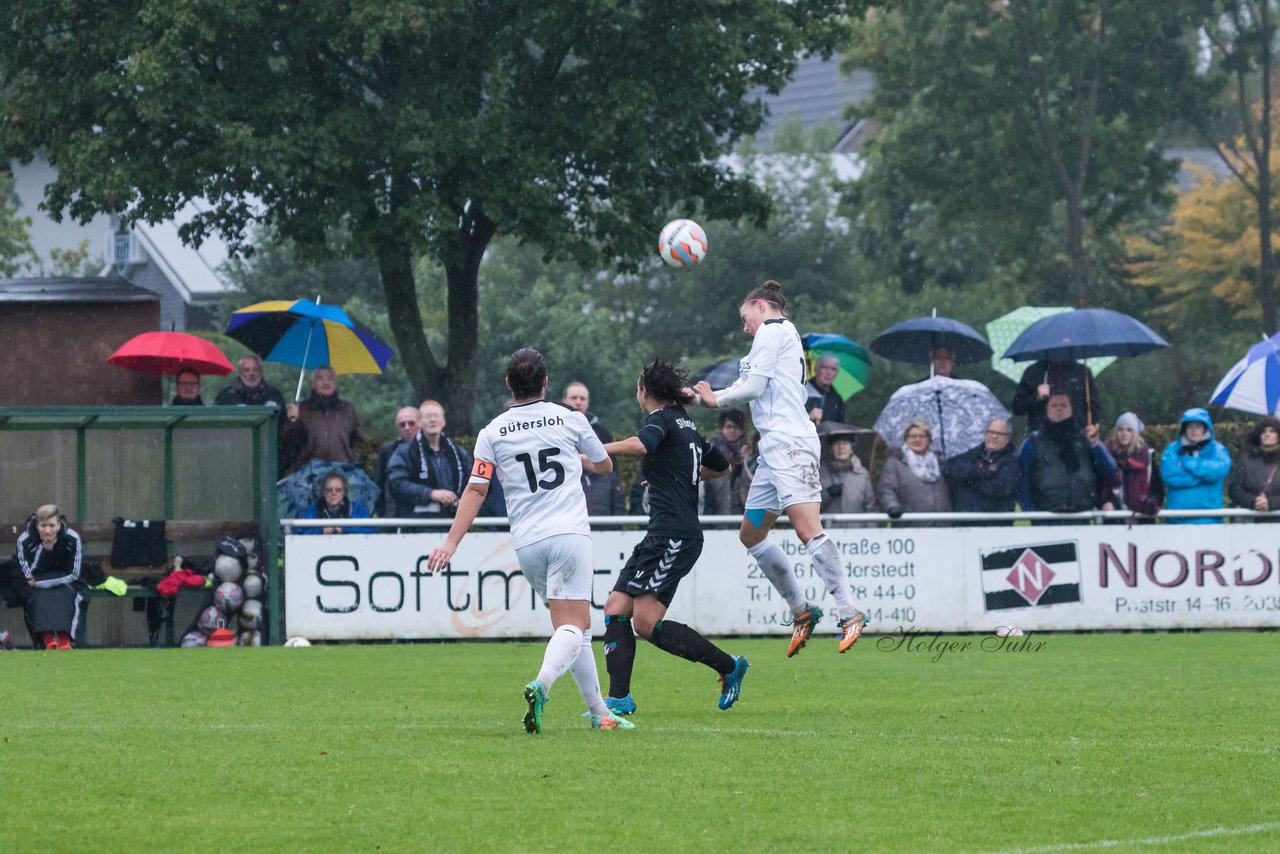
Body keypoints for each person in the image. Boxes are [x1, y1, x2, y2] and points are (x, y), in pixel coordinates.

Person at [426, 348, 633, 733]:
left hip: (527, 543)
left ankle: (600, 712)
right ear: (545, 382)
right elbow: (603, 464)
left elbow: (475, 489)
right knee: (573, 627)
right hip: (568, 534)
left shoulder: (492, 432)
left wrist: (451, 542)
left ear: (508, 383)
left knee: (575, 629)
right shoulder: (570, 418)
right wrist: (587, 455)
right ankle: (542, 683)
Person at [689, 279, 869, 656]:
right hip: (774, 451)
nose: (744, 327)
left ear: (759, 306)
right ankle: (802, 611)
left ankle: (849, 611)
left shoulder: (772, 331)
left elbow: (751, 389)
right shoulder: (775, 336)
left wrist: (714, 401)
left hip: (790, 446)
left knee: (808, 530)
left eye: (744, 318)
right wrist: (696, 394)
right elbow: (748, 384)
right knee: (751, 535)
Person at [598, 359, 747, 717]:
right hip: (663, 534)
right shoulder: (685, 423)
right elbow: (723, 466)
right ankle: (619, 699)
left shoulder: (661, 419)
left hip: (673, 534)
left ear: (644, 392)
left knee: (644, 623)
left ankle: (728, 666)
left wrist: (599, 449)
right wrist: (675, 474)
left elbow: (641, 445)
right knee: (617, 610)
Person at [1018, 394, 1117, 516]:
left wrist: (1095, 444)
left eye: (1063, 405)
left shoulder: (1086, 438)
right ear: (1046, 410)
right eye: (1054, 405)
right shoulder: (1032, 442)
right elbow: (1022, 480)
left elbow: (1110, 470)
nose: (1059, 409)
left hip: (1081, 517)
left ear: (1071, 409)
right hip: (1044, 518)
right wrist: (1031, 512)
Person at [13, 505, 86, 649]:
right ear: (36, 525)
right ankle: (46, 639)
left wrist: (42, 581)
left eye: (52, 525)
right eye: (43, 525)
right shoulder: (24, 540)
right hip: (33, 584)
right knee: (39, 596)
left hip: (64, 581)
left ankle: (66, 640)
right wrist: (45, 550)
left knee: (66, 594)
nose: (47, 530)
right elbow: (29, 575)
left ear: (59, 525)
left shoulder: (72, 538)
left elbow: (73, 573)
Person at [387, 400, 473, 521]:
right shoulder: (404, 453)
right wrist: (430, 494)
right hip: (416, 524)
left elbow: (472, 482)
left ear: (443, 421)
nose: (432, 420)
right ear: (420, 423)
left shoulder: (458, 453)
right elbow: (396, 484)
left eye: (436, 415)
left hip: (452, 522)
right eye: (427, 416)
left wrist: (463, 501)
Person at [281, 366, 364, 468]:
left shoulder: (347, 409)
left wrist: (352, 457)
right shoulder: (302, 410)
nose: (326, 382)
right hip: (309, 473)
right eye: (321, 378)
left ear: (335, 383)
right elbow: (288, 443)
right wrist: (291, 422)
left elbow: (358, 439)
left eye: (330, 378)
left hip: (342, 472)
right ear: (313, 383)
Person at [1160, 408, 1232, 524]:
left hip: (1210, 518)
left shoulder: (1218, 449)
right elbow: (1170, 477)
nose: (1194, 430)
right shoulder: (1172, 449)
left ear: (1205, 428)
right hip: (1177, 519)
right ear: (1184, 428)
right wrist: (1203, 478)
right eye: (1190, 426)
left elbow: (1219, 471)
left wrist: (1189, 463)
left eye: (1198, 426)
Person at [877, 418, 952, 520]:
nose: (917, 439)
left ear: (929, 440)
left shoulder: (940, 463)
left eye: (922, 436)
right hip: (910, 525)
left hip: (943, 525)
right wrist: (892, 507)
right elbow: (887, 489)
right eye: (913, 436)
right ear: (906, 439)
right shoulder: (895, 463)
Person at [947, 418, 1020, 518]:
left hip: (995, 523)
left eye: (1000, 433)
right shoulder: (974, 453)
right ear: (985, 433)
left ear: (1008, 438)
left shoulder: (1012, 461)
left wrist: (969, 481)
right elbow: (957, 469)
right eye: (991, 432)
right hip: (964, 520)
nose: (994, 436)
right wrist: (986, 472)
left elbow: (1000, 488)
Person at [1011, 359, 1102, 431]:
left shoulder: (1082, 371)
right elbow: (1018, 407)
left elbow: (1094, 406)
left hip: (1077, 436)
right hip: (1042, 438)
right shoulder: (1033, 372)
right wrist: (1037, 397)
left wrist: (1093, 425)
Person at [1100, 412, 1163, 516]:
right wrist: (1105, 501)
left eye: (1129, 430)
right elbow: (1101, 486)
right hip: (1114, 519)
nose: (1124, 433)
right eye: (1121, 429)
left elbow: (1157, 491)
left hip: (1142, 519)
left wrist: (1149, 503)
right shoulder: (1107, 457)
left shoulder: (1147, 457)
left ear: (1135, 433)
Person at [1227, 417, 1280, 518]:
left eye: (1272, 431)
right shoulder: (1247, 459)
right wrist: (1253, 502)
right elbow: (1234, 489)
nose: (1267, 434)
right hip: (1249, 521)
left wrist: (1271, 503)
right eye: (1263, 431)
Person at [819, 425, 877, 516]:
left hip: (856, 529)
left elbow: (870, 506)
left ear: (852, 449)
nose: (841, 447)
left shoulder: (862, 474)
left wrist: (870, 530)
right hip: (829, 529)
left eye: (845, 443)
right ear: (831, 450)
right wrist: (827, 494)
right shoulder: (821, 472)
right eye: (837, 444)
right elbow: (812, 506)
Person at [373, 406, 420, 518]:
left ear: (420, 424)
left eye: (411, 423)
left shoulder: (433, 449)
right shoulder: (387, 450)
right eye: (402, 425)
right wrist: (382, 513)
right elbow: (379, 484)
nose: (407, 428)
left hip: (421, 512)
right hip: (393, 513)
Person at [703, 409, 750, 515]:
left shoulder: (749, 447)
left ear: (742, 430)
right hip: (715, 499)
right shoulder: (713, 445)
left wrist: (747, 458)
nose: (732, 430)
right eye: (729, 427)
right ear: (722, 428)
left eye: (736, 427)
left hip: (741, 503)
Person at [297, 472, 376, 534]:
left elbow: (371, 530)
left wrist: (345, 530)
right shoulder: (310, 511)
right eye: (329, 490)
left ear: (344, 492)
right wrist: (320, 531)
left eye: (338, 490)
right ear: (323, 492)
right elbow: (298, 532)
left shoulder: (358, 510)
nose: (333, 493)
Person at [214, 355, 286, 410]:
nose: (251, 373)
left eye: (255, 369)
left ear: (260, 371)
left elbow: (282, 421)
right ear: (239, 373)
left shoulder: (274, 395)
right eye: (246, 370)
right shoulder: (226, 396)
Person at [562, 381, 612, 446]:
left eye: (582, 399)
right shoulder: (553, 428)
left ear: (588, 402)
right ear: (564, 401)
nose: (578, 402)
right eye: (573, 398)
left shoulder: (602, 434)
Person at [804, 354, 845, 425]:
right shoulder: (803, 390)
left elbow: (840, 427)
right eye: (824, 367)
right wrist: (808, 418)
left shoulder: (837, 399)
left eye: (833, 369)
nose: (828, 372)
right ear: (816, 369)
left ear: (836, 373)